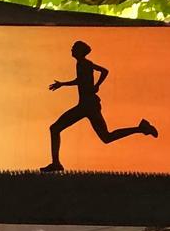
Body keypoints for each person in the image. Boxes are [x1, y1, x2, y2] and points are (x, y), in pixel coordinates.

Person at [41, 41, 157, 173]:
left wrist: (65, 84)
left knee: (55, 128)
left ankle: (56, 163)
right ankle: (140, 128)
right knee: (106, 137)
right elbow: (103, 71)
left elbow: (85, 79)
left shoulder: (84, 64)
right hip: (87, 105)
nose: (71, 50)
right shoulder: (84, 63)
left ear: (80, 51)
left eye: (74, 48)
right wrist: (96, 85)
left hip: (88, 106)